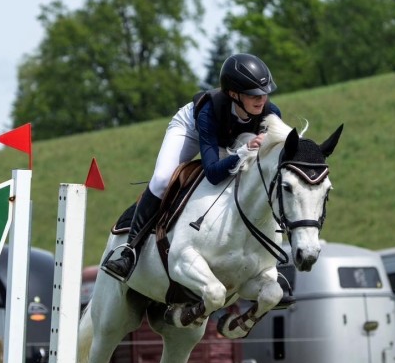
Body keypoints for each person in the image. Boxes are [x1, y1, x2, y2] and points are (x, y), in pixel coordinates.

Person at [101, 53, 281, 281]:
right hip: (193, 129)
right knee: (163, 179)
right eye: (253, 94)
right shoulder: (208, 112)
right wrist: (245, 151)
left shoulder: (272, 114)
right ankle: (129, 251)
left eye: (264, 93)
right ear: (234, 94)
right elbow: (214, 173)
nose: (261, 99)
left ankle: (268, 264)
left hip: (231, 137)